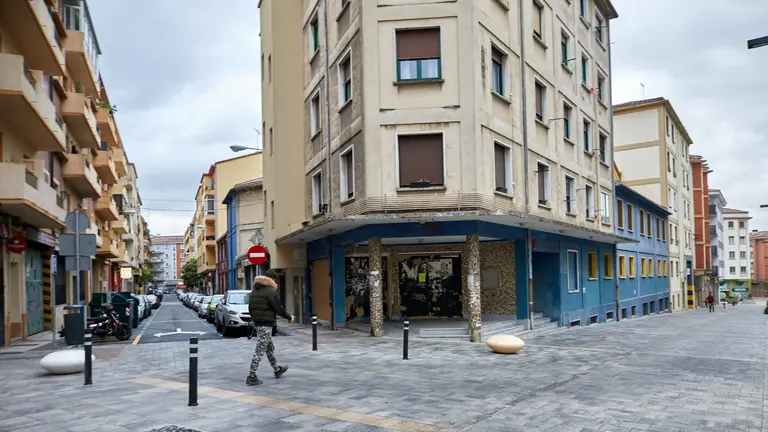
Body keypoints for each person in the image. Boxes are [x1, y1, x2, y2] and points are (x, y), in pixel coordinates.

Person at [246, 270, 294, 386]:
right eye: (274, 279)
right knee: (260, 350)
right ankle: (251, 376)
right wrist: (289, 317)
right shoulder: (271, 292)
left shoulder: (254, 292)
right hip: (266, 324)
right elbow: (279, 308)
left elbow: (250, 309)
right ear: (271, 279)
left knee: (268, 347)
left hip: (257, 324)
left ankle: (277, 369)